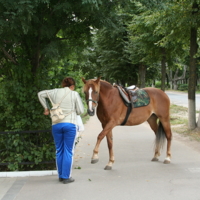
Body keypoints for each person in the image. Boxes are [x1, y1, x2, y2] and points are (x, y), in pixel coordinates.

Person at [38, 77, 84, 184]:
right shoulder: (74, 94)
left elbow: (40, 94)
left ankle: (60, 176)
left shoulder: (54, 92)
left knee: (59, 150)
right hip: (70, 125)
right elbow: (80, 110)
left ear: (63, 84)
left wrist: (46, 108)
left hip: (56, 125)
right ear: (72, 86)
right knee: (68, 150)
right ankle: (66, 177)